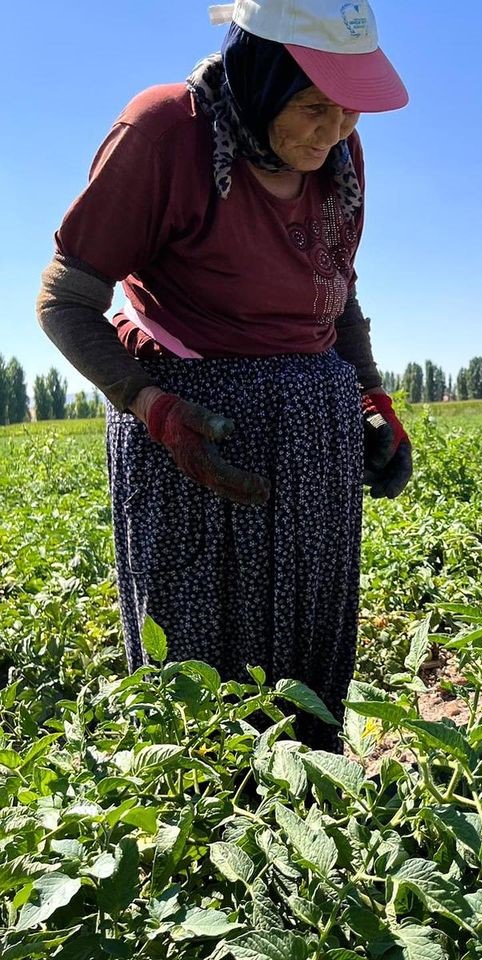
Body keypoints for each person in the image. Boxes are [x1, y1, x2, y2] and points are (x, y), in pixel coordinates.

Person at [36, 0, 412, 752]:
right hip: (196, 438)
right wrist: (156, 409)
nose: (334, 129)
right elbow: (64, 301)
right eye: (313, 107)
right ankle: (205, 803)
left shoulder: (340, 154)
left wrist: (371, 398)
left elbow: (336, 287)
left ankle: (308, 792)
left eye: (350, 109)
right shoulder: (165, 133)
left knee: (308, 645)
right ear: (261, 76)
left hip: (312, 444)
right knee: (198, 665)